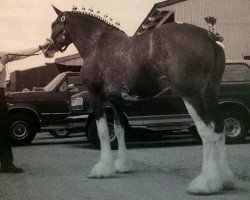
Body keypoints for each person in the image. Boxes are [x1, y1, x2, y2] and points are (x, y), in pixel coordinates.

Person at [0, 42, 50, 173]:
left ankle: (6, 164)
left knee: (3, 128)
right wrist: (1, 64)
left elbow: (22, 53)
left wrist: (41, 47)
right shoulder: (3, 58)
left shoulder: (3, 54)